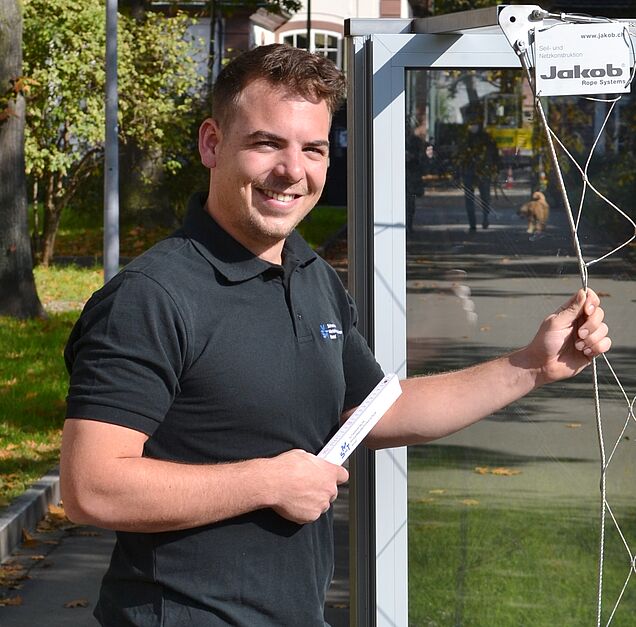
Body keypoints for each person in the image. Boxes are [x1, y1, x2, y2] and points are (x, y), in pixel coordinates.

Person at [60, 44, 611, 627]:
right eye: (267, 143)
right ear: (212, 144)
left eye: (314, 149)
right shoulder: (152, 297)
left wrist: (531, 365)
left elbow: (375, 414)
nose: (293, 170)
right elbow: (92, 487)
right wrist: (268, 481)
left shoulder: (309, 273)